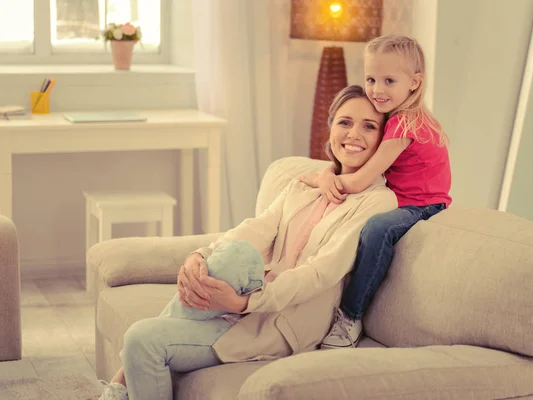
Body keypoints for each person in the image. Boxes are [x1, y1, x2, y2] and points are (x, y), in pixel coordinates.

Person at [99, 85, 397, 400]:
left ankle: (119, 386)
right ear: (331, 126)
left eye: (369, 126)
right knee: (236, 255)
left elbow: (320, 273)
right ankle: (121, 386)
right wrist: (198, 257)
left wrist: (244, 303)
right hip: (249, 296)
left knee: (142, 340)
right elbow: (254, 229)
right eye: (345, 122)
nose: (354, 134)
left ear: (383, 140)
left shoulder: (378, 200)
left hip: (285, 321)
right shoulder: (304, 185)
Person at [301, 35, 452, 349]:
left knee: (376, 228)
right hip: (408, 197)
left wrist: (322, 179)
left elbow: (358, 180)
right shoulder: (401, 117)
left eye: (388, 80)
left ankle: (350, 315)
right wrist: (330, 170)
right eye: (371, 79)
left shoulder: (404, 125)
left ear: (414, 82)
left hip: (423, 206)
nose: (377, 89)